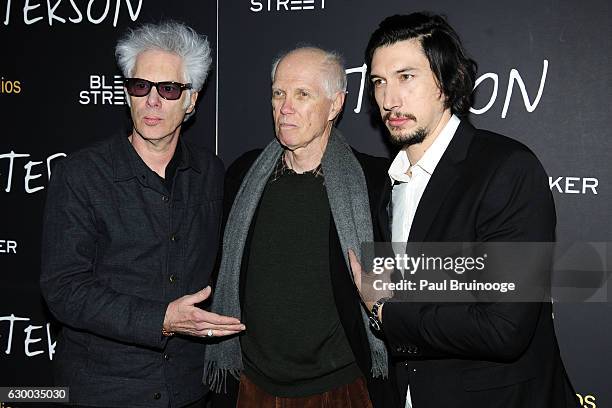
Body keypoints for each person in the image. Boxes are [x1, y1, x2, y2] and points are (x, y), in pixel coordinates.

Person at [350, 12, 580, 408]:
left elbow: (504, 328)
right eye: (379, 82)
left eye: (406, 77)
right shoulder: (386, 184)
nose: (389, 100)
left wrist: (384, 312)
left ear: (445, 81)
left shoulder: (507, 168)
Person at [40, 21, 244, 408]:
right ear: (127, 92)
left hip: (188, 390)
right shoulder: (81, 174)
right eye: (140, 86)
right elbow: (63, 289)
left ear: (192, 101)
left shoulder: (211, 173)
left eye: (168, 89)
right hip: (103, 392)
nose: (152, 101)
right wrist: (160, 319)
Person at [203, 46, 397, 407]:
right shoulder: (244, 174)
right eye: (278, 93)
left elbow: (389, 291)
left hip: (340, 389)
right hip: (250, 386)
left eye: (302, 94)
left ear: (335, 105)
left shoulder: (373, 183)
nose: (285, 107)